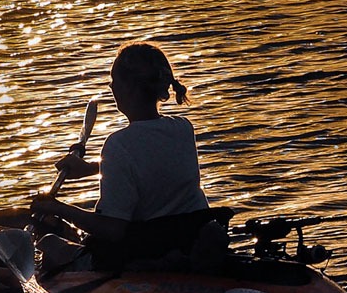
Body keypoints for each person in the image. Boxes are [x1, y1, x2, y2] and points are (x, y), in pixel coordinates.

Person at [31, 41, 225, 271]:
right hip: (188, 240)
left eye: (114, 80)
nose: (111, 86)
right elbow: (151, 164)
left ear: (130, 87)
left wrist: (57, 208)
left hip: (146, 255)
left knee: (48, 243)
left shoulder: (118, 144)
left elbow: (113, 229)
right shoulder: (183, 128)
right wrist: (91, 168)